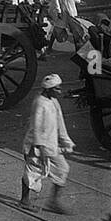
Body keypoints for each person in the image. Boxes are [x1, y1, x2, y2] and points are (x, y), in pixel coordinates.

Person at [21, 74, 75, 213]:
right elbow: (37, 127)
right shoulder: (40, 103)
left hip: (51, 144)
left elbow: (60, 122)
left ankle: (54, 201)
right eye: (57, 88)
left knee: (62, 169)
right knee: (32, 172)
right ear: (48, 89)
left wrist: (66, 141)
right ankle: (24, 201)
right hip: (36, 145)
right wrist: (41, 148)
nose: (60, 91)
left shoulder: (54, 102)